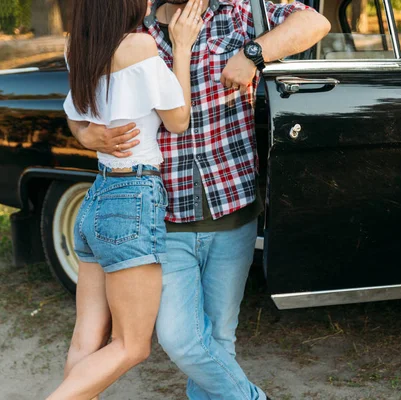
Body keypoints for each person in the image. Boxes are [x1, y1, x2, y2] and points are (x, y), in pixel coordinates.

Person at [67, 0, 331, 398]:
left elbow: (315, 21)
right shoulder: (135, 32)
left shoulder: (239, 12)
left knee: (219, 339)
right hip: (163, 217)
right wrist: (84, 133)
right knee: (181, 340)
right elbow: (84, 86)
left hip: (233, 208)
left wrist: (252, 53)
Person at [46, 0, 204, 399]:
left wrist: (85, 135)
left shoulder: (77, 48)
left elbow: (75, 116)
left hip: (97, 196)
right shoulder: (140, 46)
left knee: (85, 339)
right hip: (133, 198)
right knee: (131, 345)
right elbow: (178, 121)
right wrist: (181, 48)